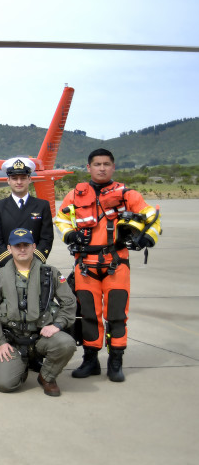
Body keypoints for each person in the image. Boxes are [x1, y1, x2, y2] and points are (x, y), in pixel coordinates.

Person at [55, 148, 160, 382]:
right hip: (85, 265)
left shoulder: (127, 194)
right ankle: (90, 359)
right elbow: (61, 218)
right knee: (89, 315)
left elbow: (151, 215)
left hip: (116, 263)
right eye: (97, 164)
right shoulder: (75, 194)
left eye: (106, 164)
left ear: (113, 167)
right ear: (89, 167)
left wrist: (147, 237)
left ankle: (116, 360)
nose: (101, 168)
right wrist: (70, 235)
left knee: (116, 315)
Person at [0, 229, 77, 396]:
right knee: (3, 384)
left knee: (66, 344)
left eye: (26, 245)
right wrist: (0, 342)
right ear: (9, 248)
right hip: (13, 339)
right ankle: (20, 367)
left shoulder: (50, 273)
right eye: (17, 246)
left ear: (34, 247)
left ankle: (47, 377)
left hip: (42, 337)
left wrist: (57, 325)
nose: (22, 249)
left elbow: (69, 303)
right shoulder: (0, 276)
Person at [0, 157, 53, 267]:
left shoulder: (42, 206)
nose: (19, 182)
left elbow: (47, 238)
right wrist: (11, 263)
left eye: (23, 178)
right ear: (8, 180)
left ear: (29, 179)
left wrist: (32, 262)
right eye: (14, 178)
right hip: (6, 266)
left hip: (34, 265)